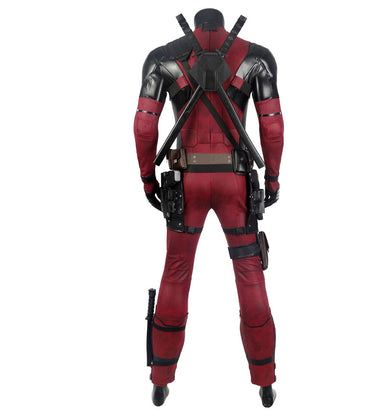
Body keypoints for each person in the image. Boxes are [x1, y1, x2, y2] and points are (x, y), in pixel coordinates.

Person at [133, 8, 284, 407]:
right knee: (251, 276)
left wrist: (148, 178)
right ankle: (265, 381)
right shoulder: (257, 58)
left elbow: (144, 126)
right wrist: (272, 179)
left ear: (196, 25)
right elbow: (272, 127)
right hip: (235, 182)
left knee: (175, 274)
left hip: (187, 182)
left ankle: (160, 380)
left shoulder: (163, 57)